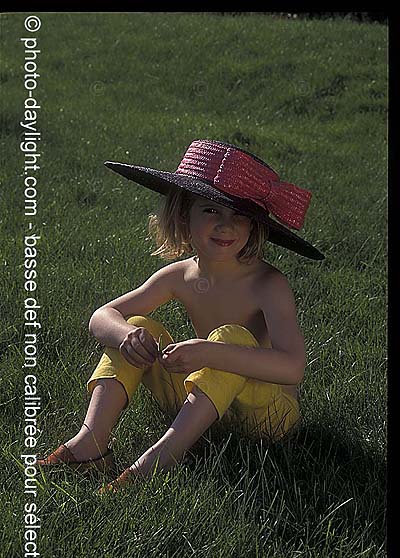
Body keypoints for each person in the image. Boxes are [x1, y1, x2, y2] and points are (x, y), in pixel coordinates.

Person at [38, 139, 324, 493]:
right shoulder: (179, 276)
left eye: (239, 216)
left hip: (265, 415)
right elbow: (103, 315)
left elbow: (292, 367)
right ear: (183, 215)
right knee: (136, 327)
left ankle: (162, 458)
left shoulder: (268, 284)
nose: (225, 226)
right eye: (211, 211)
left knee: (232, 336)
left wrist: (209, 353)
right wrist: (126, 336)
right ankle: (91, 442)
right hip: (202, 399)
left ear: (253, 226)